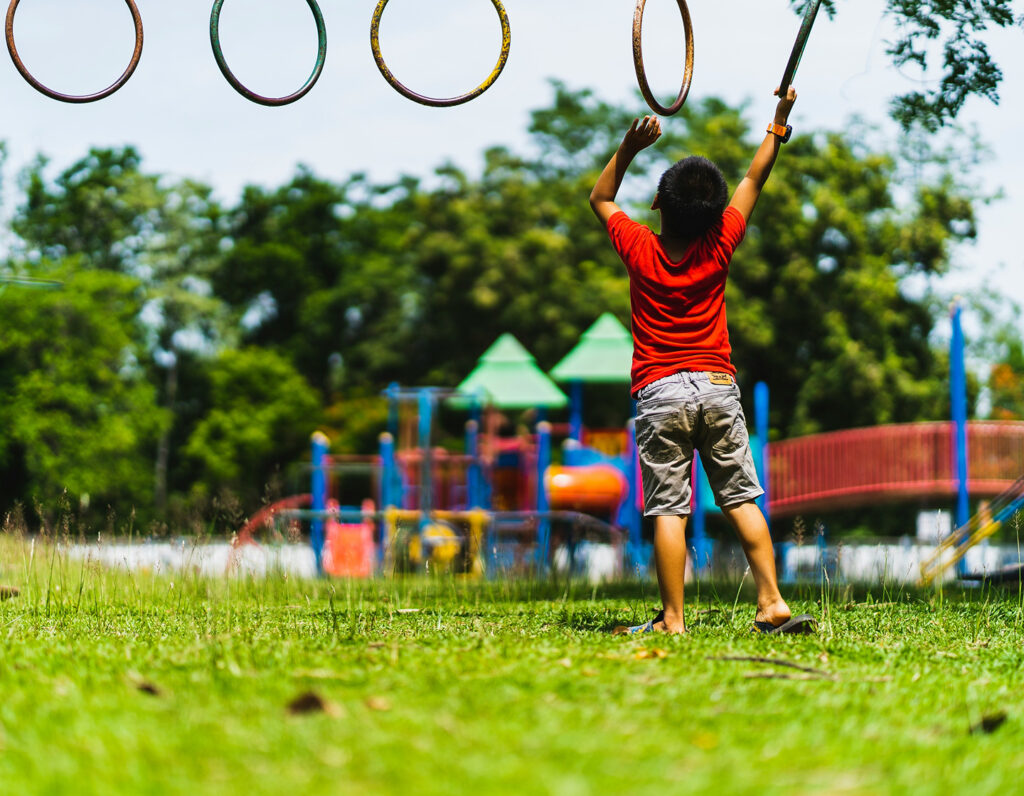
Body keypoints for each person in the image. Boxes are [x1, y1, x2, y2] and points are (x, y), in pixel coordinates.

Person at [591, 86, 813, 635]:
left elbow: (600, 198)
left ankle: (673, 620)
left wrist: (626, 150)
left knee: (669, 509)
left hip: (660, 389)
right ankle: (771, 602)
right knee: (739, 497)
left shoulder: (639, 247)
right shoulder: (720, 243)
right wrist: (777, 121)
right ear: (715, 215)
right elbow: (754, 178)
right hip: (716, 385)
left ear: (658, 205)